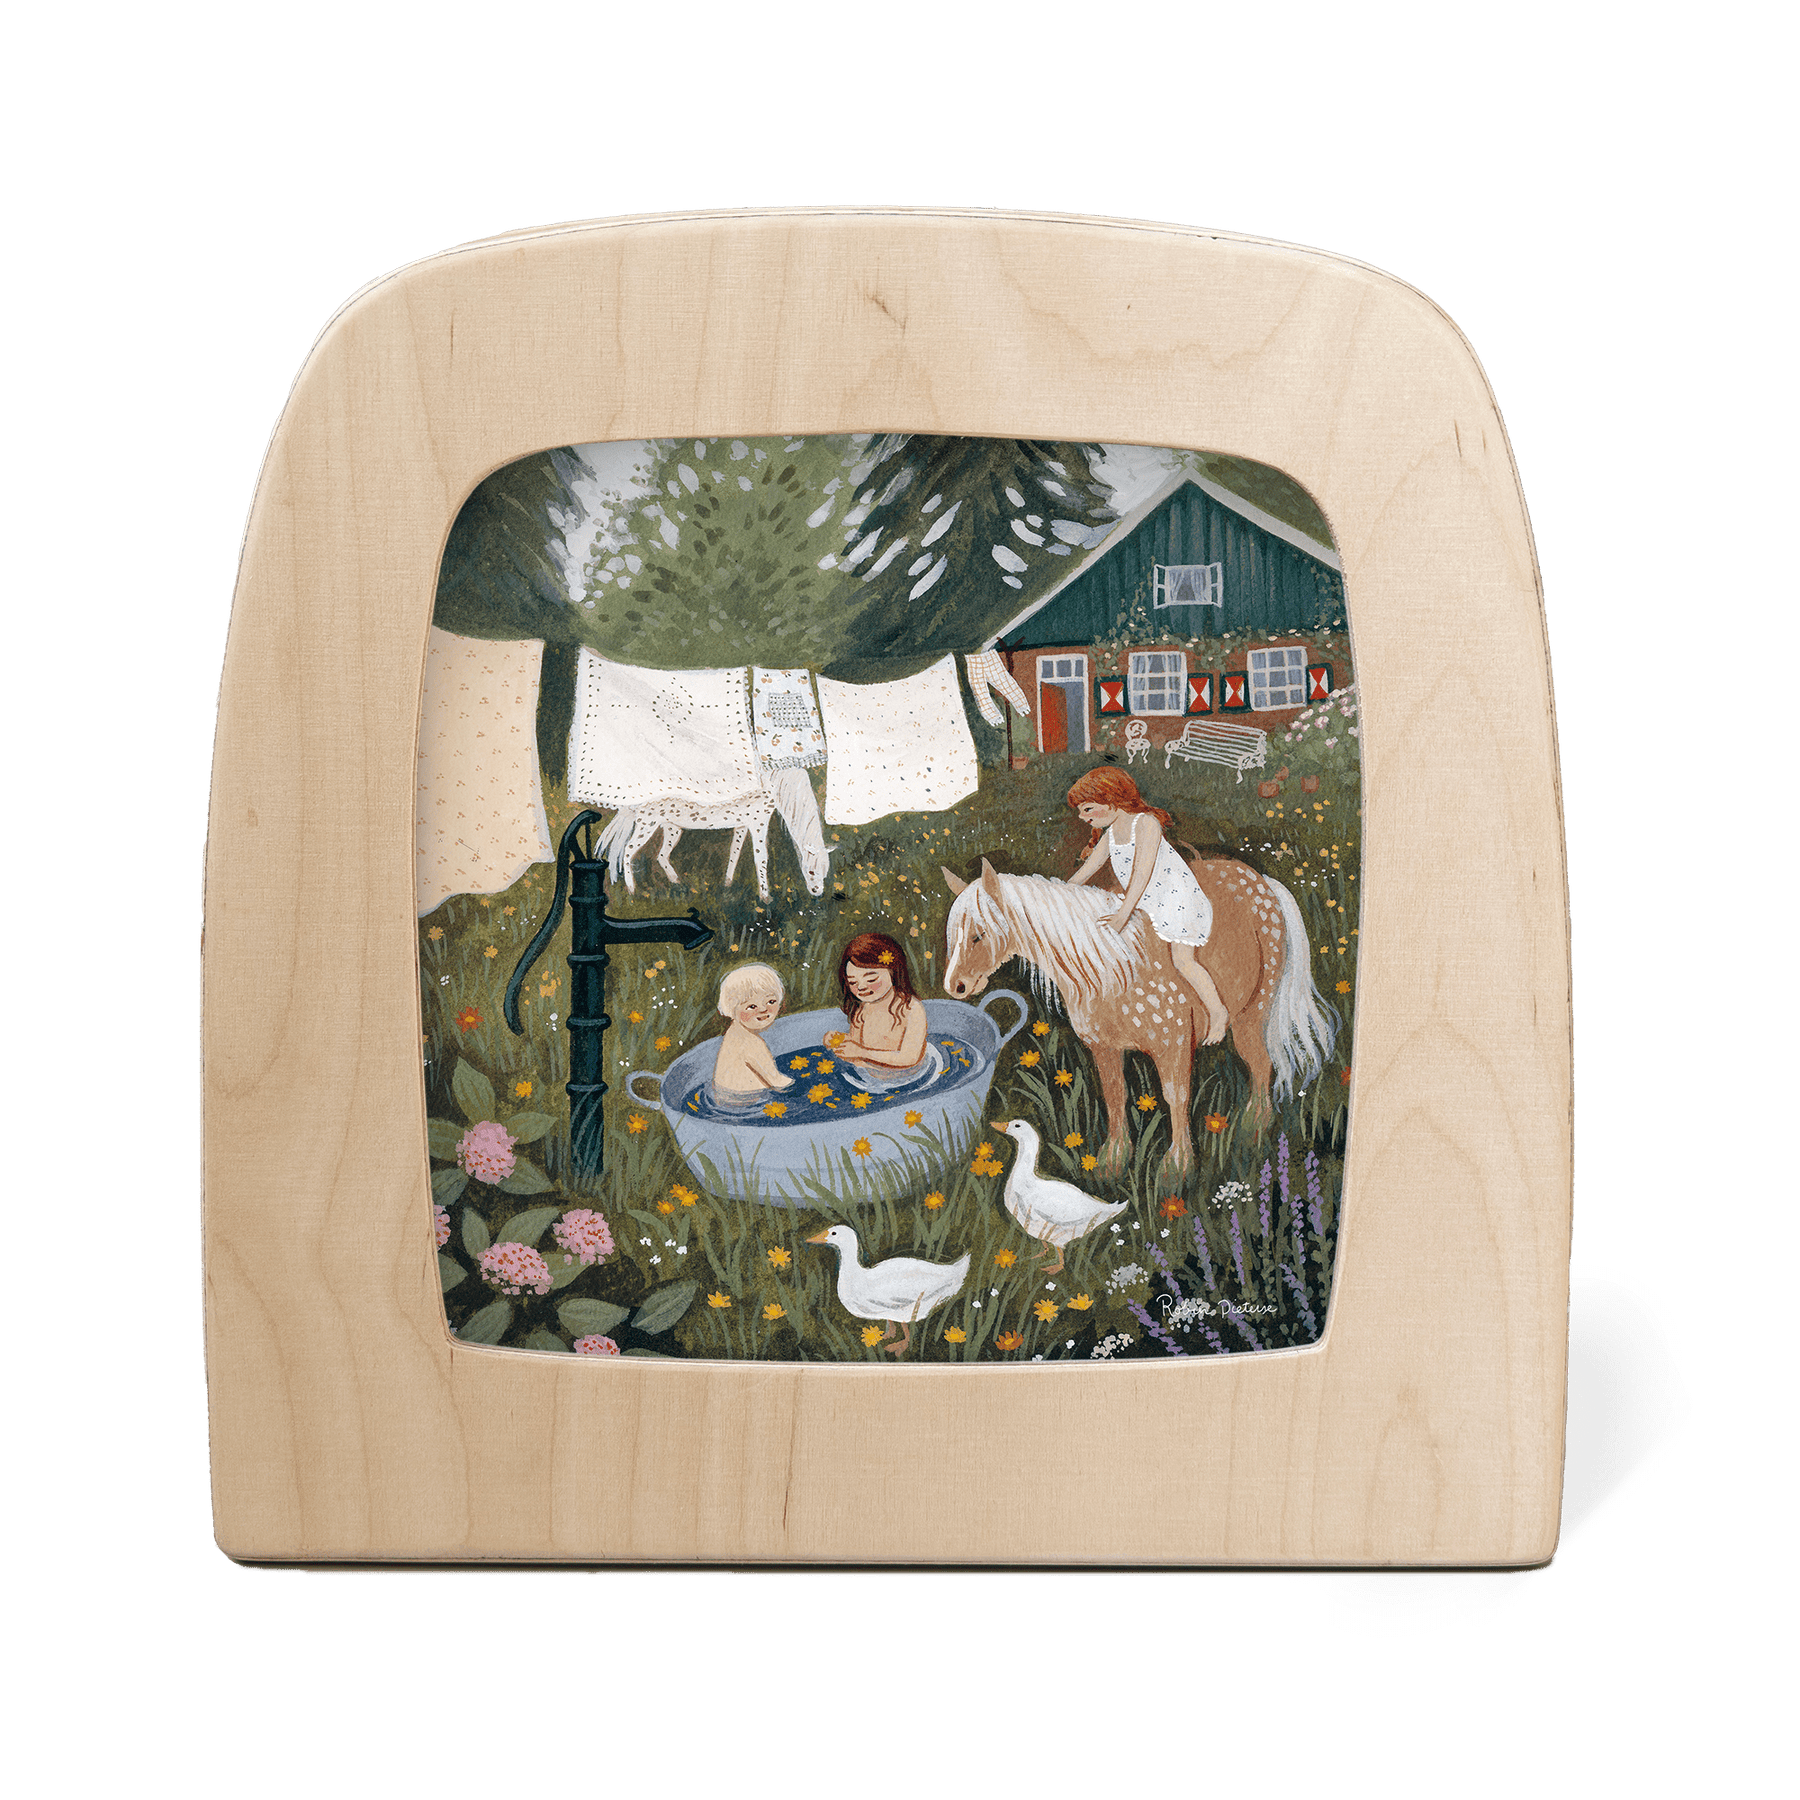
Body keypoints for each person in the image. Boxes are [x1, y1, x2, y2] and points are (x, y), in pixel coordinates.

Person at [1064, 768, 1230, 1045]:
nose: (1083, 817)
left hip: (1175, 899)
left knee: (1183, 961)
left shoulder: (1146, 824)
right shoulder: (1110, 835)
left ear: (1111, 801)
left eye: (1088, 809)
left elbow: (1141, 874)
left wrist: (1122, 916)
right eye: (1081, 811)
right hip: (1142, 901)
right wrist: (1056, 895)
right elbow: (1085, 872)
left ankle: (1217, 1012)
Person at [831, 932, 929, 1071]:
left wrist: (861, 1052)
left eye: (871, 980)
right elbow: (855, 1047)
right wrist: (839, 1041)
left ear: (893, 972)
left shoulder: (911, 1008)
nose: (861, 987)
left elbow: (910, 1057)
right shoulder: (862, 1010)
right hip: (871, 1073)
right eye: (852, 982)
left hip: (910, 1075)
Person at [711, 963, 793, 1096]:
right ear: (732, 1008)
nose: (764, 1009)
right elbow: (778, 1083)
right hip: (750, 1101)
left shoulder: (733, 1034)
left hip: (726, 1097)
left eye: (771, 1001)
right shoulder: (751, 1043)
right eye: (752, 1006)